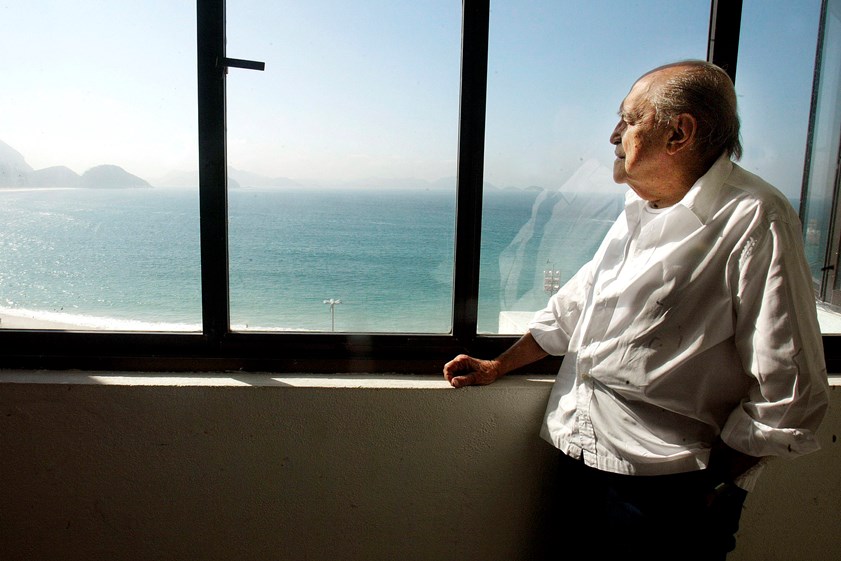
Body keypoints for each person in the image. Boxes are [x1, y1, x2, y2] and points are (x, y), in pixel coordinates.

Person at [443, 60, 829, 560]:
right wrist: (498, 366)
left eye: (629, 120)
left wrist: (710, 486)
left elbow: (792, 388)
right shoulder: (640, 209)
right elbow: (574, 309)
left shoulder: (755, 219)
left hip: (665, 491)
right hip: (578, 456)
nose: (613, 135)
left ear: (679, 133)